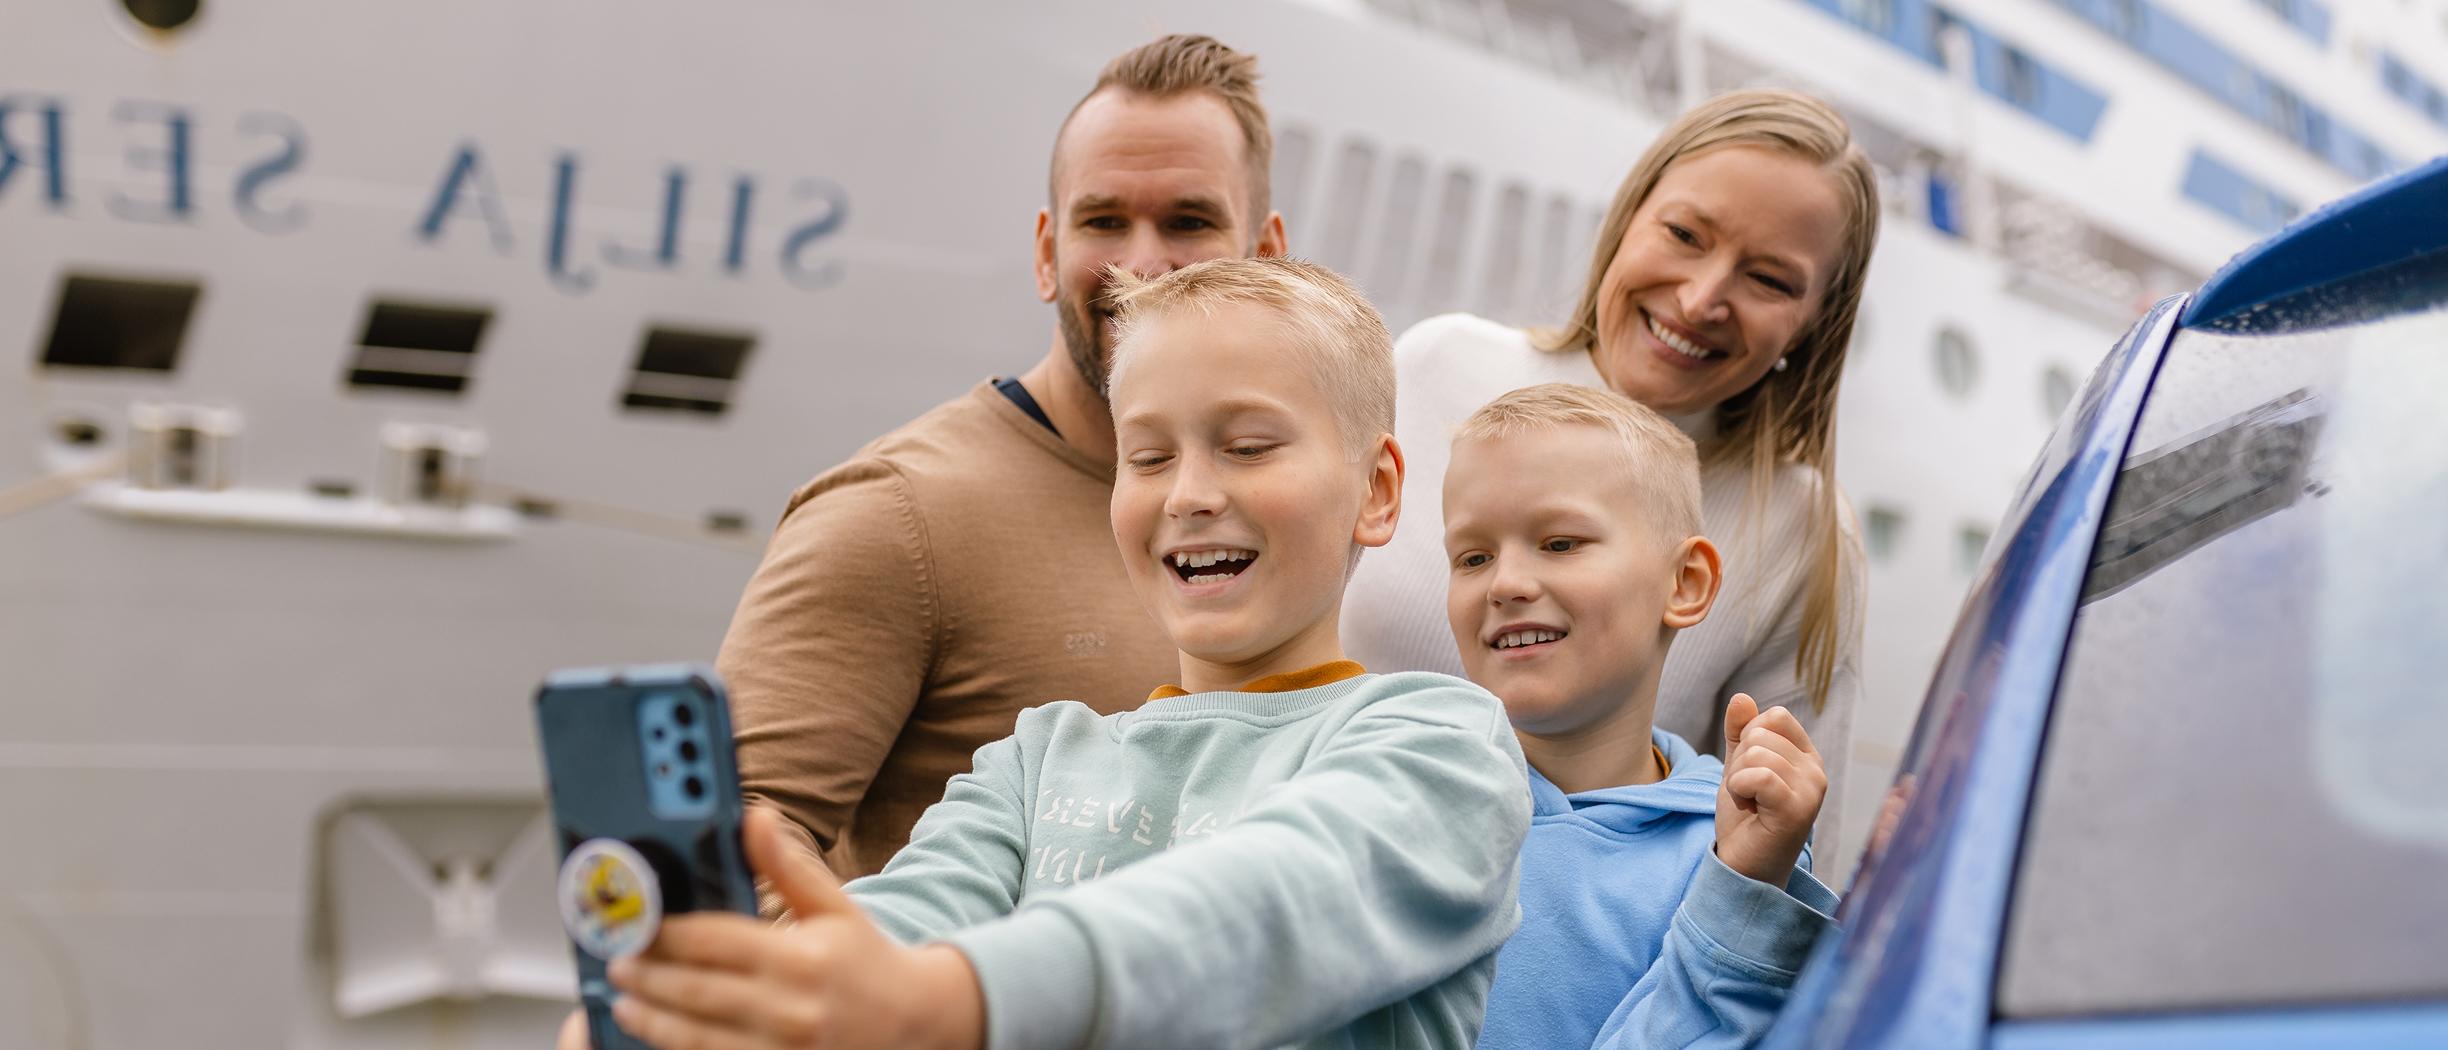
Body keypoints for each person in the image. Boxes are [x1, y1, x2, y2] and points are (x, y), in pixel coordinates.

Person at [592, 257, 1530, 1050]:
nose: (1189, 493)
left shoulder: (1445, 746)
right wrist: (705, 1007)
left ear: (1376, 488)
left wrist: (951, 998)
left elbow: (1264, 909)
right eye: (1148, 457)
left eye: (1246, 446)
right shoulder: (1034, 760)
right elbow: (901, 929)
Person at [719, 34, 1289, 880]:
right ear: (1045, 253)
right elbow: (726, 855)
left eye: (1188, 221)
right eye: (1103, 221)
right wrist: (902, 1008)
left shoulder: (1296, 514)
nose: (1141, 262)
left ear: (1267, 257)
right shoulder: (898, 516)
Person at [1342, 88, 1876, 863]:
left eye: (1769, 280)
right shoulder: (1435, 369)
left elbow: (1789, 864)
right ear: (1628, 218)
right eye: (1685, 233)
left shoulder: (1802, 533)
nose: (1700, 300)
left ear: (1816, 322)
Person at [1442, 383, 1836, 1050]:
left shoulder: (1739, 851)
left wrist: (1741, 893)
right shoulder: (1401, 788)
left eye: (1560, 543)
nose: (1504, 582)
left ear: (1684, 583)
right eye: (1473, 557)